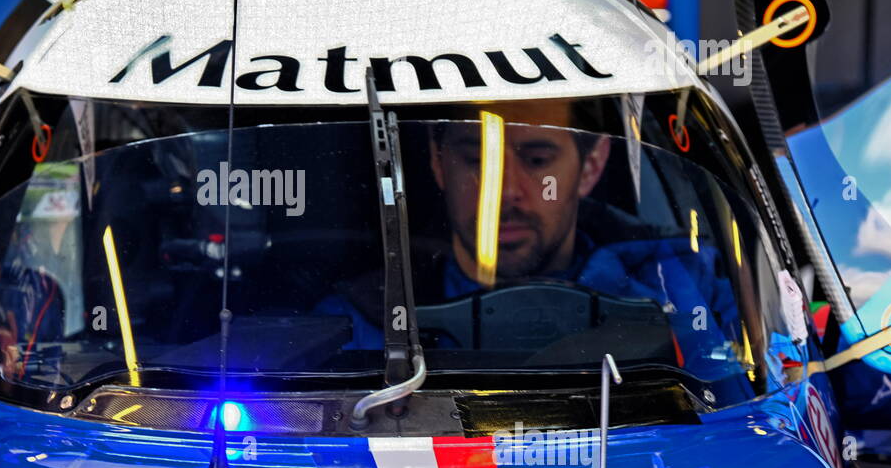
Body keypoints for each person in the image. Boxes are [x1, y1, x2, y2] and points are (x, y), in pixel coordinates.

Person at [317, 97, 742, 368]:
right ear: (437, 161)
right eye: (479, 161)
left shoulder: (685, 290)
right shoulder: (358, 323)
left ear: (591, 166)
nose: (505, 192)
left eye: (537, 160)